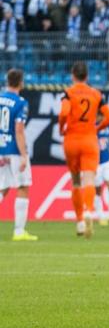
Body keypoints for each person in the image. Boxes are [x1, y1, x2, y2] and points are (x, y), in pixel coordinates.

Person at [59, 61, 109, 238]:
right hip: (90, 140)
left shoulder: (68, 93)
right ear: (87, 76)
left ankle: (80, 222)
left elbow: (63, 113)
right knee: (90, 179)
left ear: (72, 75)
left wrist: (62, 128)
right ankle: (89, 211)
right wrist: (97, 128)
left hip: (72, 139)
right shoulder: (96, 94)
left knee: (76, 181)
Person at [0, 68, 37, 241]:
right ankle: (19, 231)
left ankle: (19, 231)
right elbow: (19, 130)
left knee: (3, 188)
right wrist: (24, 155)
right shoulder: (20, 103)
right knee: (22, 187)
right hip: (14, 149)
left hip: (1, 149)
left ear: (7, 81)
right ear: (21, 83)